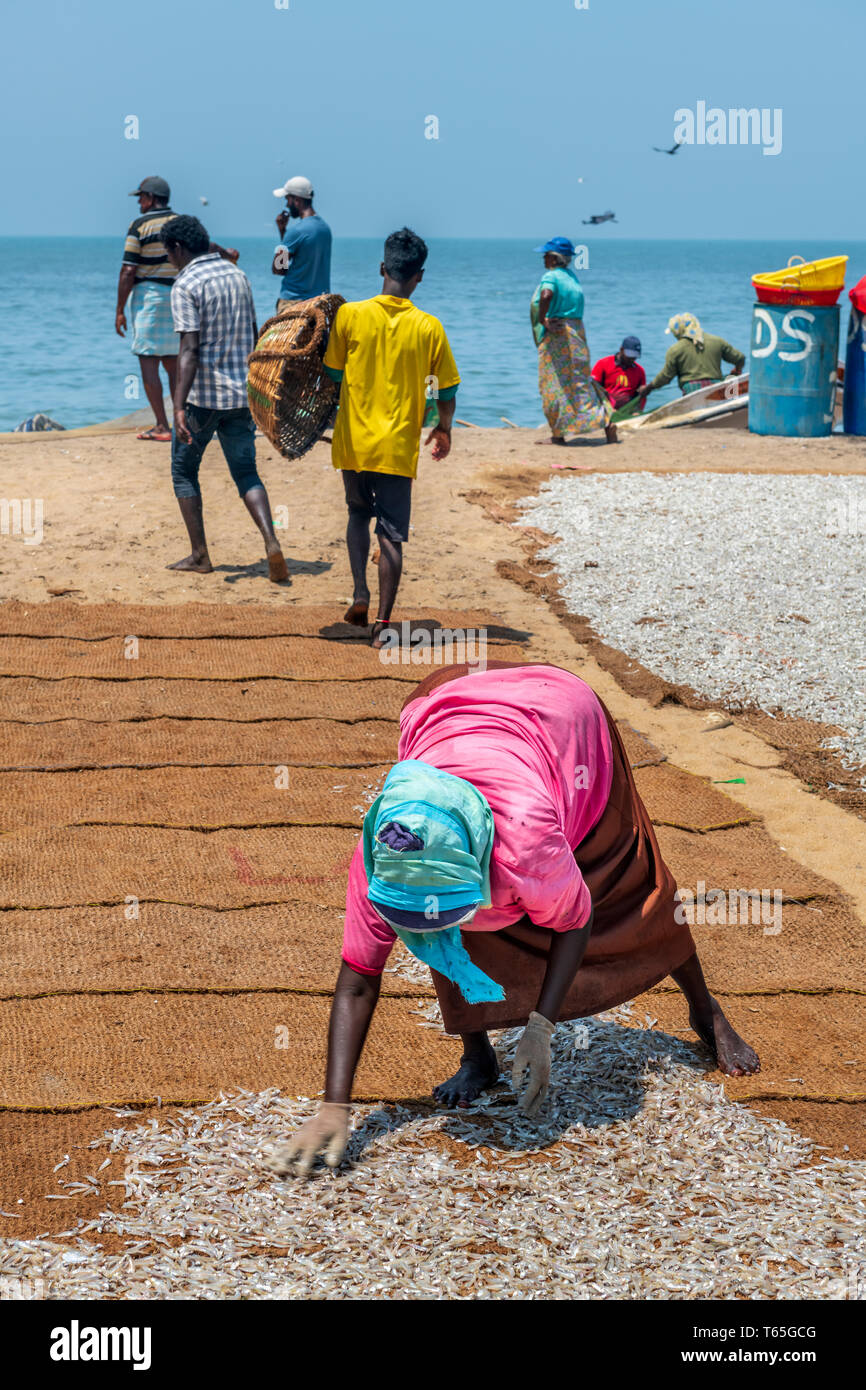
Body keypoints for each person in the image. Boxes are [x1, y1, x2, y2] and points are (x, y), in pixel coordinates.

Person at [267, 662, 761, 1177]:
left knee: (628, 886)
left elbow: (574, 921)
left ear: (483, 864)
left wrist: (540, 1030)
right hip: (448, 713)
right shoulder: (386, 856)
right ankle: (479, 1056)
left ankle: (706, 1011)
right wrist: (334, 1107)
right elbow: (357, 981)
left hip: (561, 717)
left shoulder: (528, 842)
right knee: (449, 929)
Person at [322, 228, 460, 647]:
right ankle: (383, 624)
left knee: (356, 515)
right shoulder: (429, 327)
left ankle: (359, 591)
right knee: (393, 534)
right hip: (396, 448)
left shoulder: (350, 315)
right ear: (420, 276)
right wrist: (443, 428)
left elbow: (331, 373)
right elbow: (447, 389)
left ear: (383, 268)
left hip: (354, 442)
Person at [163, 215, 288, 582]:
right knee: (246, 472)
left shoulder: (185, 284)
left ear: (178, 248)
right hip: (240, 395)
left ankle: (200, 555)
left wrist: (178, 405)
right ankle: (271, 540)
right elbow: (253, 334)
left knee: (184, 472)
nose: (169, 260)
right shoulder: (238, 275)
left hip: (203, 398)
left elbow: (189, 350)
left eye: (168, 253)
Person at [117, 177, 241, 441]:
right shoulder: (179, 222)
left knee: (148, 361)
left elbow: (128, 269)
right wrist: (227, 255)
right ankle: (180, 419)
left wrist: (119, 309)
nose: (139, 202)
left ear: (151, 197)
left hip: (149, 297)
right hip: (178, 293)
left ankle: (162, 426)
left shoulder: (138, 225)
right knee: (174, 363)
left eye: (141, 197)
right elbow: (205, 246)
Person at [531, 238, 616, 446]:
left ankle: (558, 436)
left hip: (558, 335)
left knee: (553, 384)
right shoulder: (572, 278)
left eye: (546, 254)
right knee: (580, 382)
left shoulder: (551, 276)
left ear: (553, 257)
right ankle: (606, 423)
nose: (543, 258)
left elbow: (546, 294)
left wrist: (543, 320)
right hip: (576, 333)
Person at [639, 313, 745, 401]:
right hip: (716, 390)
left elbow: (666, 377)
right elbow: (740, 358)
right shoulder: (717, 341)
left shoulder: (675, 349)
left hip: (692, 392)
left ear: (679, 330)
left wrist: (648, 388)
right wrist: (738, 370)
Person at [271, 175, 332, 310]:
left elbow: (278, 268)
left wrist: (285, 235)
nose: (287, 204)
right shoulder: (325, 229)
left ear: (297, 200)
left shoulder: (296, 231)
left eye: (288, 199)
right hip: (318, 304)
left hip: (293, 302)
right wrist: (283, 232)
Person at [591, 336, 647, 422]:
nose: (632, 359)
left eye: (635, 356)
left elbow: (642, 396)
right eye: (629, 356)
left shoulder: (640, 371)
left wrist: (638, 411)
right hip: (605, 410)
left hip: (627, 412)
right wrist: (608, 408)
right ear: (621, 350)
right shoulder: (603, 364)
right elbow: (594, 389)